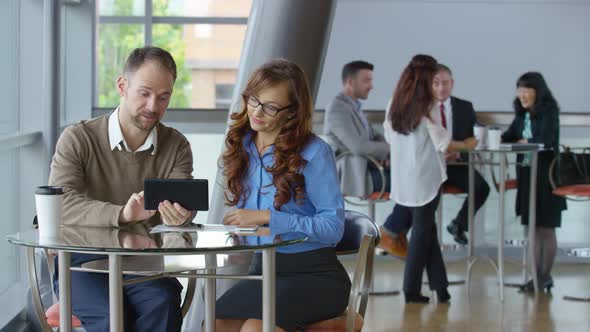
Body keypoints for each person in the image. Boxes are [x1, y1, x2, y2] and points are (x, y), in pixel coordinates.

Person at [48, 46, 194, 332]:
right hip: (80, 260)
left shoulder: (176, 146)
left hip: (143, 261)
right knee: (112, 315)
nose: (153, 106)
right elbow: (61, 203)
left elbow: (181, 204)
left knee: (164, 300)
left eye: (163, 97)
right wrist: (122, 214)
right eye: (145, 93)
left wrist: (180, 217)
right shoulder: (78, 138)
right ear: (122, 85)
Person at [215, 59, 351, 332]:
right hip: (262, 269)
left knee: (256, 328)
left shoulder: (314, 152)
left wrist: (270, 218)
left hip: (315, 274)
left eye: (271, 106)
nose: (257, 111)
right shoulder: (241, 145)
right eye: (254, 100)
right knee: (216, 322)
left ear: (292, 112)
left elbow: (334, 229)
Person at [383, 54, 478, 303]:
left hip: (404, 177)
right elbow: (444, 143)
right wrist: (468, 144)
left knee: (428, 232)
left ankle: (441, 288)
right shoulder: (429, 106)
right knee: (422, 237)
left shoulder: (395, 103)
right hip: (426, 179)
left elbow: (389, 137)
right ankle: (411, 290)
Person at [379, 64, 490, 253]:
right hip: (426, 167)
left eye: (445, 83)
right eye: (436, 83)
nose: (441, 88)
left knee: (481, 187)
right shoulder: (419, 107)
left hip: (455, 164)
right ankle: (395, 234)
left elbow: (472, 136)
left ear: (452, 83)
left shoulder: (464, 107)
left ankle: (458, 224)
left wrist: (462, 150)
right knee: (424, 196)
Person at [501, 72, 567, 292]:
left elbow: (545, 140)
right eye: (519, 90)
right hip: (527, 173)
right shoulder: (522, 115)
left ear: (538, 91)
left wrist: (524, 140)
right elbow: (509, 136)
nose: (522, 94)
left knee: (546, 227)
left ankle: (544, 276)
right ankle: (535, 278)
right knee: (531, 227)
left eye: (526, 90)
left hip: (546, 175)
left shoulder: (549, 111)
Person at [324, 60, 390, 197]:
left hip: (370, 168)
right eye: (366, 81)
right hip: (356, 176)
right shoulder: (337, 109)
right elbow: (358, 146)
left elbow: (374, 135)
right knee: (411, 183)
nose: (371, 86)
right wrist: (391, 150)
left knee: (411, 180)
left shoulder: (354, 107)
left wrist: (385, 152)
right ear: (350, 82)